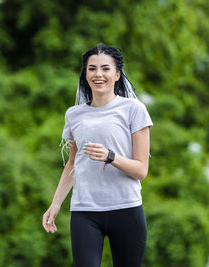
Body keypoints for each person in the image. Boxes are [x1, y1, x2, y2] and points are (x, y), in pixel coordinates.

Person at [42, 44, 153, 267]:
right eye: (92, 69)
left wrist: (111, 156)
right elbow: (73, 164)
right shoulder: (74, 115)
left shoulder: (133, 109)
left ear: (117, 74)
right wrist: (55, 204)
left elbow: (141, 170)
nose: (98, 74)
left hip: (126, 209)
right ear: (85, 74)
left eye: (105, 68)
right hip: (85, 211)